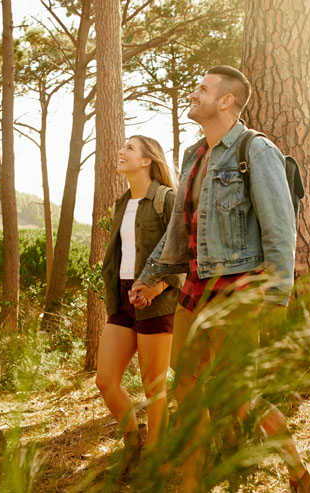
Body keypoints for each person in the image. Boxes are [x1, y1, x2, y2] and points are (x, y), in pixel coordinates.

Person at [130, 66, 310, 493]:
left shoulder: (255, 150)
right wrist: (153, 277)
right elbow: (179, 230)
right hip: (195, 291)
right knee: (185, 387)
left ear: (226, 101)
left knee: (239, 397)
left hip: (237, 290)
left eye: (203, 88)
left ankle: (303, 474)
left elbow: (280, 226)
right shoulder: (194, 156)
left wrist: (275, 296)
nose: (194, 93)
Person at [95, 135, 182, 478]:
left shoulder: (166, 199)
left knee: (153, 388)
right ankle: (134, 444)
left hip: (158, 300)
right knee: (105, 380)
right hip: (123, 295)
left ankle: (156, 460)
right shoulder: (121, 202)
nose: (121, 151)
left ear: (147, 160)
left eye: (129, 148)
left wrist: (157, 286)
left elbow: (184, 254)